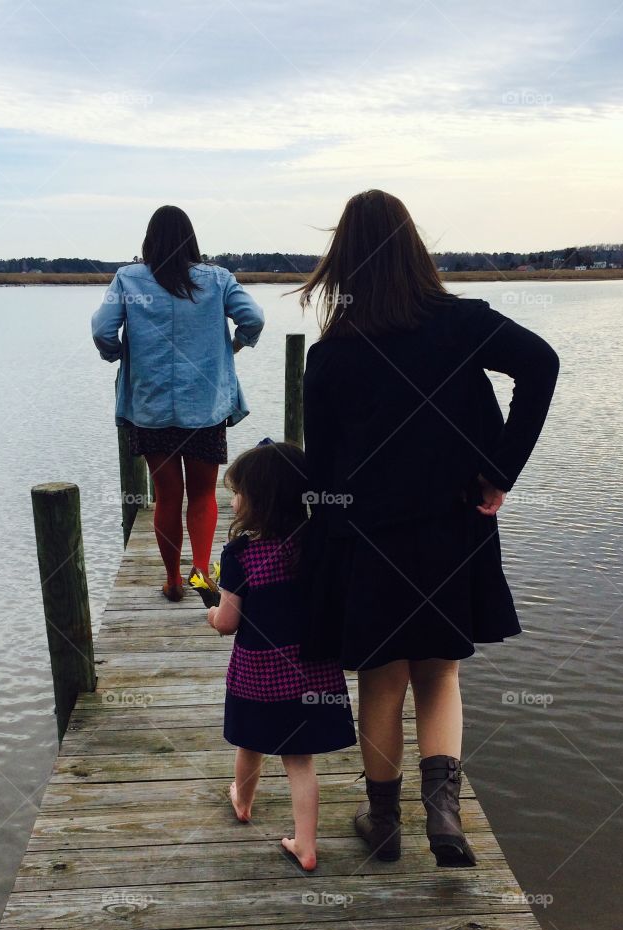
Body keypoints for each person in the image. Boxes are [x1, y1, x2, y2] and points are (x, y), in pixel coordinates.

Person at [296, 189, 560, 869]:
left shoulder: (329, 357)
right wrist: (500, 470)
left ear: (343, 265)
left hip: (368, 538)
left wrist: (311, 564)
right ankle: (443, 813)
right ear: (415, 250)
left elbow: (320, 476)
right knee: (439, 672)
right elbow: (542, 364)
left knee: (382, 676)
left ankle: (382, 822)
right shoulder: (461, 322)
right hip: (451, 528)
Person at [91, 205, 265, 604]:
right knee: (203, 495)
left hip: (151, 407)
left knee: (166, 495)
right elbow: (253, 318)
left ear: (149, 240)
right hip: (204, 405)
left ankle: (171, 581)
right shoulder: (217, 279)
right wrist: (233, 346)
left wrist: (117, 354)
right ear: (192, 239)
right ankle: (201, 574)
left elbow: (102, 330)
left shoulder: (127, 278)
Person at [206, 440, 357, 872]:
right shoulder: (316, 544)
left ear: (259, 500)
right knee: (299, 760)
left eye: (237, 491)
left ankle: (243, 801)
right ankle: (306, 846)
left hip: (258, 673)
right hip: (311, 670)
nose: (232, 499)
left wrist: (212, 614)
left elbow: (228, 622)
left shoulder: (240, 555)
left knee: (249, 740)